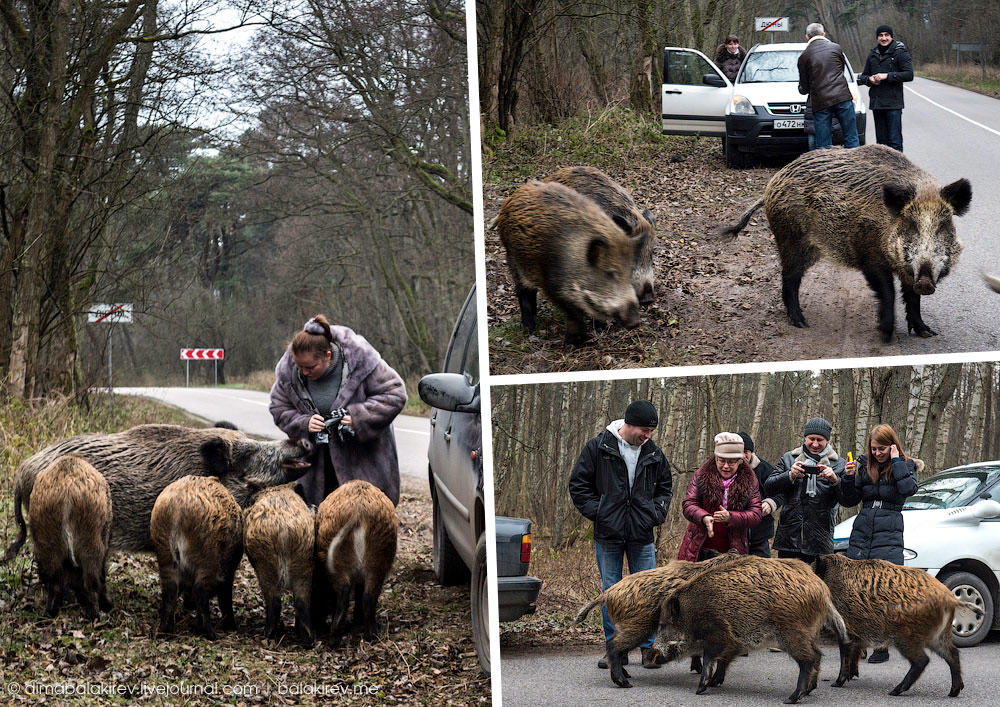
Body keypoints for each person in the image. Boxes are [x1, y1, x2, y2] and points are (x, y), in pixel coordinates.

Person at [569, 400, 672, 670]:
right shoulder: (598, 447)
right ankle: (615, 650)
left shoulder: (654, 453)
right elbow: (578, 485)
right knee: (611, 594)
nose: (647, 436)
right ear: (628, 424)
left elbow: (665, 488)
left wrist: (656, 513)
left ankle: (648, 650)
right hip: (608, 535)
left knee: (650, 594)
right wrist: (600, 512)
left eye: (651, 431)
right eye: (644, 430)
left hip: (642, 535)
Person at [269, 315, 407, 508]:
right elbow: (279, 407)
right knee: (322, 527)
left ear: (328, 355)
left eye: (310, 367)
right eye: (299, 367)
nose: (304, 372)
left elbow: (394, 393)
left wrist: (358, 417)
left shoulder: (362, 361)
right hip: (316, 469)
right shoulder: (289, 374)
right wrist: (303, 422)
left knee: (365, 525)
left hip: (363, 465)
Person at [841, 423, 920, 663]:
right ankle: (858, 643)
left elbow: (909, 489)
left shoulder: (905, 464)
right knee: (857, 590)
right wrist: (848, 477)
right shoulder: (865, 464)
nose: (877, 453)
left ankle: (882, 646)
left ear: (892, 446)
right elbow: (849, 500)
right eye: (874, 449)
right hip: (863, 528)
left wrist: (896, 462)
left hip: (889, 530)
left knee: (884, 590)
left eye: (882, 449)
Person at [765, 417, 849, 564]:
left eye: (820, 440)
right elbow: (769, 488)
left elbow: (847, 500)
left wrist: (835, 481)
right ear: (805, 437)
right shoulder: (789, 459)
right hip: (789, 538)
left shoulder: (839, 464)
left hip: (820, 540)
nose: (815, 444)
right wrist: (789, 475)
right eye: (811, 439)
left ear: (827, 441)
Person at [677, 432, 762, 561]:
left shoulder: (750, 480)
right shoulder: (701, 475)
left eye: (731, 462)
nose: (726, 466)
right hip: (699, 546)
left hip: (733, 549)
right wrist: (704, 517)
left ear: (740, 461)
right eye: (722, 461)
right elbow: (689, 504)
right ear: (716, 458)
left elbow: (756, 514)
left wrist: (731, 517)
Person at [797, 22, 859, 150]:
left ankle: (826, 167)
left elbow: (805, 87)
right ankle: (855, 164)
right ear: (823, 34)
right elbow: (840, 70)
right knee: (851, 136)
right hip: (842, 97)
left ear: (807, 37)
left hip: (820, 101)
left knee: (824, 143)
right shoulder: (836, 48)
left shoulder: (804, 56)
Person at [858, 24, 913, 152]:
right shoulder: (872, 54)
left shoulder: (900, 52)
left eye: (886, 35)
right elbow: (864, 75)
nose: (884, 38)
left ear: (891, 37)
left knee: (895, 141)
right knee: (881, 144)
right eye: (881, 35)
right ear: (877, 38)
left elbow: (909, 74)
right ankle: (883, 171)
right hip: (877, 103)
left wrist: (887, 76)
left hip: (893, 104)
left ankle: (899, 170)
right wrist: (869, 80)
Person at [738, 432, 781, 558]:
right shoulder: (726, 469)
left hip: (760, 534)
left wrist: (770, 503)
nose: (743, 455)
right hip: (733, 534)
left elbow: (780, 493)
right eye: (739, 451)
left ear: (751, 451)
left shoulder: (765, 469)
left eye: (746, 451)